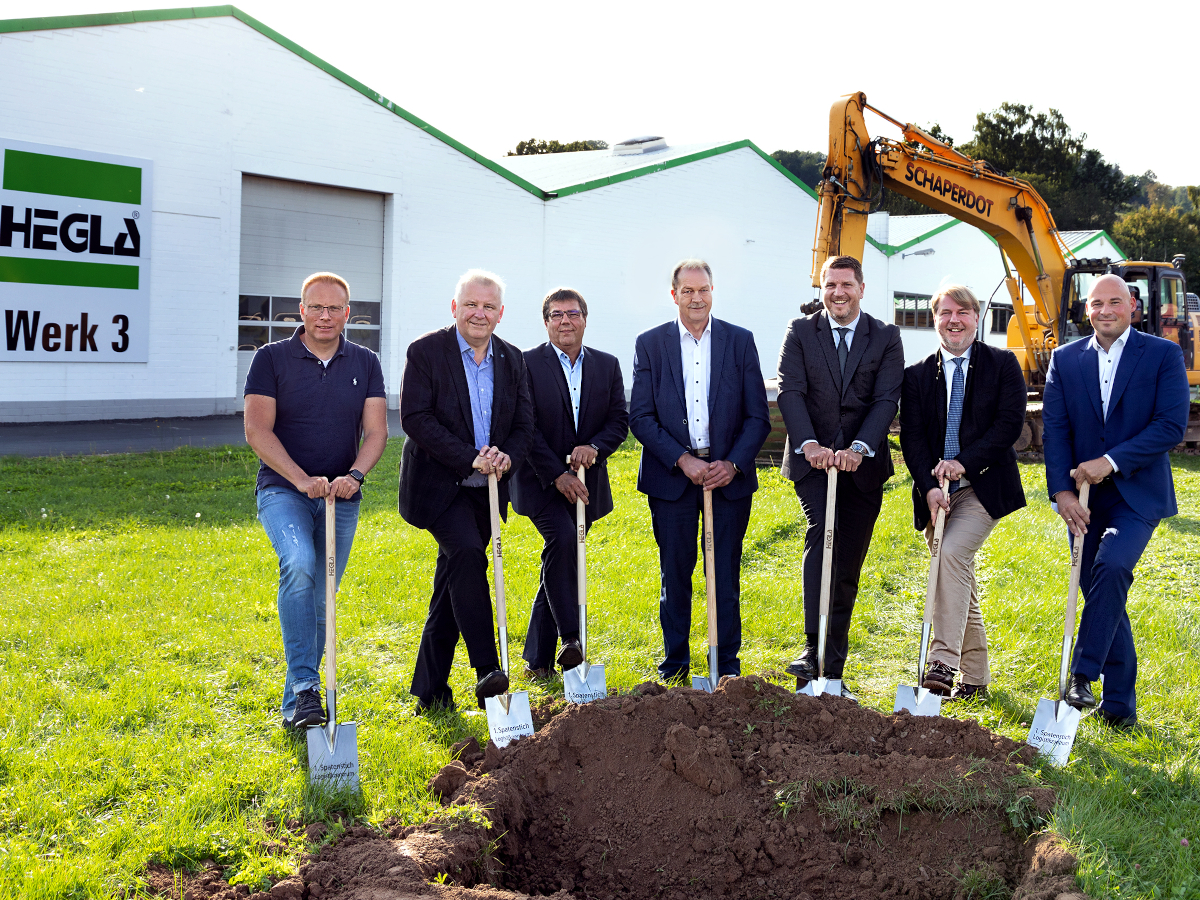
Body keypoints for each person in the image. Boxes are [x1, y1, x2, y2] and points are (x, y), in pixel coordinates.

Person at [1043, 273, 1189, 729]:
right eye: (1095, 303)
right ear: (1086, 310)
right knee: (1103, 594)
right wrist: (1062, 492)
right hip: (1081, 499)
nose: (1104, 310)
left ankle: (1082, 675)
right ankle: (1120, 708)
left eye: (1114, 302)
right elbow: (1056, 430)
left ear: (1132, 307)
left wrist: (1109, 461)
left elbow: (1170, 426)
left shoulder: (1163, 355)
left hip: (1137, 494)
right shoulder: (1064, 359)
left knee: (1111, 568)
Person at [244, 272, 388, 730]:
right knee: (301, 564)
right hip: (283, 490)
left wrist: (355, 475)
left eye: (335, 308)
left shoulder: (365, 361)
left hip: (340, 498)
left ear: (348, 314)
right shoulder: (270, 358)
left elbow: (377, 432)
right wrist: (301, 478)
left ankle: (297, 706)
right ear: (301, 310)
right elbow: (256, 431)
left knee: (323, 597)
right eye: (316, 306)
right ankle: (308, 688)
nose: (325, 316)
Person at [398, 269, 535, 712]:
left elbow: (523, 424)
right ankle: (488, 672)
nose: (480, 313)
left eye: (489, 306)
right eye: (471, 305)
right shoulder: (426, 352)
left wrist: (506, 456)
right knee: (467, 555)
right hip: (439, 486)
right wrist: (470, 456)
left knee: (453, 581)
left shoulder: (512, 359)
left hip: (487, 490)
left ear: (500, 314)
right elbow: (416, 418)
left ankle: (430, 691)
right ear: (454, 308)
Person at [629, 259, 771, 682]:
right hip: (672, 478)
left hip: (727, 480)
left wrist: (732, 464)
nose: (696, 298)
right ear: (674, 295)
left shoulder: (739, 341)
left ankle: (724, 666)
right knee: (675, 572)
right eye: (687, 291)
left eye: (704, 289)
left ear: (713, 292)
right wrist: (682, 459)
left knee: (723, 574)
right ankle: (675, 665)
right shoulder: (650, 344)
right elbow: (641, 416)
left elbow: (757, 416)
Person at [775, 255, 904, 700]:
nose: (837, 293)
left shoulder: (886, 337)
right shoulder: (801, 332)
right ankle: (811, 651)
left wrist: (860, 448)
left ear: (861, 289)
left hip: (862, 467)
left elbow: (887, 398)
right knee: (820, 537)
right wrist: (809, 443)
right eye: (830, 285)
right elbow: (790, 390)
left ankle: (834, 668)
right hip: (813, 464)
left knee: (846, 563)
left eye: (846, 284)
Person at [899, 285, 1027, 700]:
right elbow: (913, 438)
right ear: (935, 319)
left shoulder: (1003, 364)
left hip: (982, 486)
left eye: (963, 312)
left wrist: (963, 463)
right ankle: (976, 679)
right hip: (936, 492)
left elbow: (1008, 426)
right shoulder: (917, 375)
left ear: (976, 317)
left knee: (950, 556)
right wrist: (928, 486)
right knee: (958, 577)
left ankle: (941, 662)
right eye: (945, 313)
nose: (954, 320)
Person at [510, 288, 629, 678]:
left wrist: (593, 447)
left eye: (573, 314)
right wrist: (556, 473)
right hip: (539, 481)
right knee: (562, 541)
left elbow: (618, 422)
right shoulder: (524, 364)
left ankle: (537, 661)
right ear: (546, 322)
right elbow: (523, 427)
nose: (565, 321)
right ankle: (571, 639)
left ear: (584, 319)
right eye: (556, 314)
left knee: (561, 558)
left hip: (587, 484)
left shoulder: (607, 365)